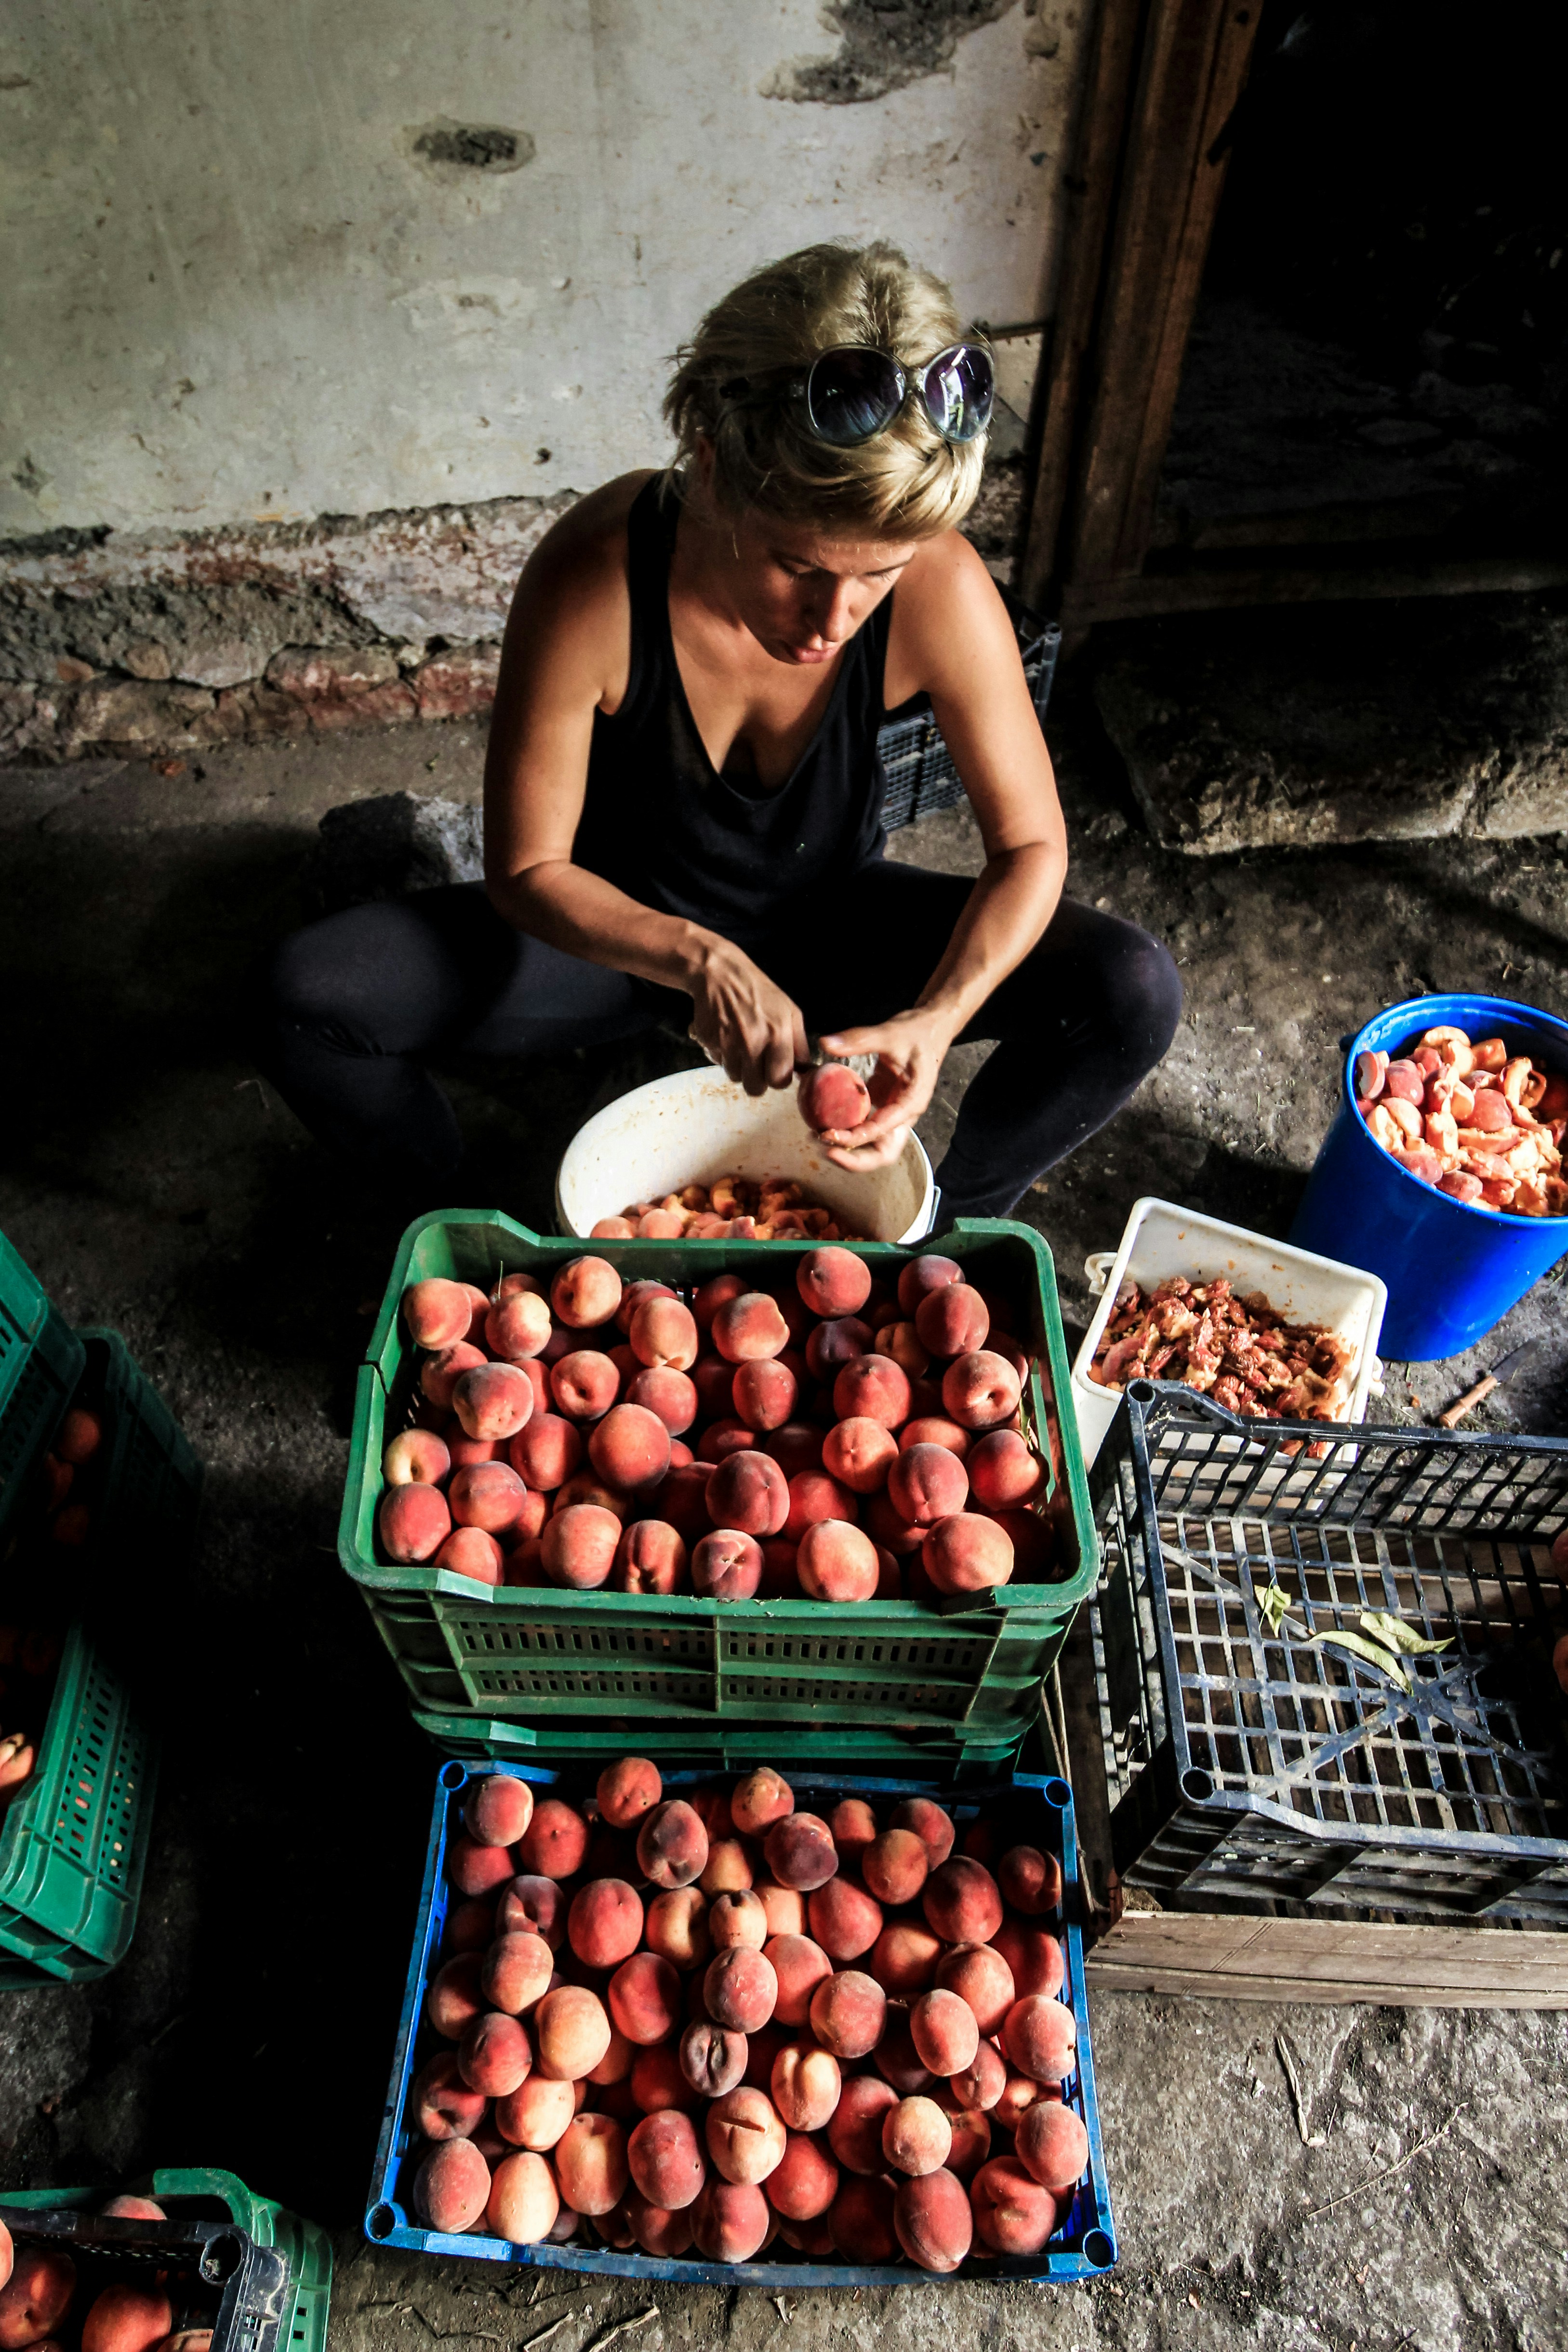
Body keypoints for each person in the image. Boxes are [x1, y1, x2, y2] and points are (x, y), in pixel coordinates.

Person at [253, 241, 1180, 1217]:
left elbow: (1031, 846)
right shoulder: (598, 576)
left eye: (877, 574)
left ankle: (948, 1231)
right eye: (796, 566)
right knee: (302, 998)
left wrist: (938, 1014)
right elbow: (527, 870)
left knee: (1129, 988)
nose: (833, 621)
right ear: (708, 467)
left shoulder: (940, 587)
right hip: (617, 942)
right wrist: (697, 958)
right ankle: (469, 1232)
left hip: (833, 925)